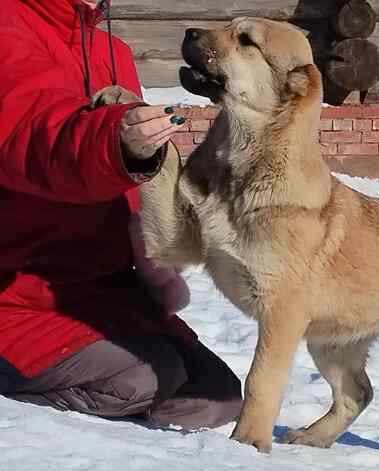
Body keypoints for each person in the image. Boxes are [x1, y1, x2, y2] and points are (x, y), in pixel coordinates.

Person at [0, 0, 243, 429]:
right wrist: (116, 142)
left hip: (103, 288)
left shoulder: (111, 50)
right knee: (142, 378)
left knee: (216, 395)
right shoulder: (8, 25)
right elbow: (30, 134)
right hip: (18, 290)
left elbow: (136, 187)